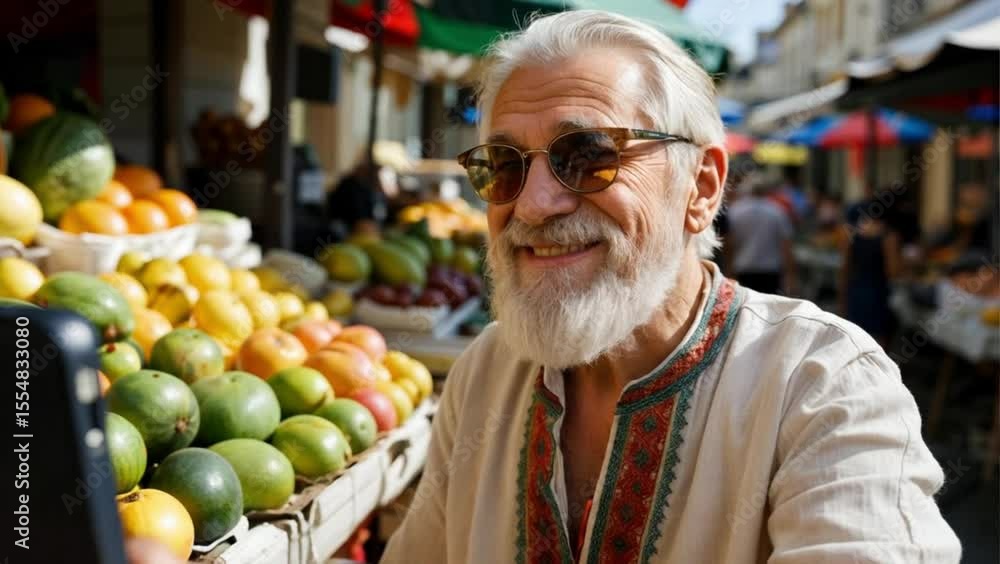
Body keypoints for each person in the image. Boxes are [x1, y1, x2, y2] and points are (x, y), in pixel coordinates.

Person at [382, 11, 960, 564]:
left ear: (702, 187)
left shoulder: (822, 384)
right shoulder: (486, 370)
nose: (532, 204)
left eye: (586, 155)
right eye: (504, 164)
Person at [839, 187, 902, 346]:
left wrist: (842, 298)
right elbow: (892, 271)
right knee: (877, 342)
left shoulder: (853, 234)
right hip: (878, 293)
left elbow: (845, 268)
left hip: (856, 291)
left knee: (855, 339)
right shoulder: (888, 236)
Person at [724, 170, 798, 295]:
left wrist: (728, 269)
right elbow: (786, 245)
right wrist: (791, 276)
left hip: (743, 268)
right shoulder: (777, 211)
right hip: (770, 271)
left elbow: (728, 244)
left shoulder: (735, 211)